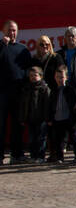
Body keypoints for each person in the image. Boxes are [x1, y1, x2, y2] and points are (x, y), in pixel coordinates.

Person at [0, 20, 32, 164]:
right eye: (9, 30)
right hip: (1, 93)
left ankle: (17, 154)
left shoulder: (23, 49)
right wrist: (2, 46)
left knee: (18, 125)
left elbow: (27, 70)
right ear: (3, 31)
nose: (12, 33)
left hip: (18, 93)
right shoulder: (0, 46)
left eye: (14, 30)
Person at [48, 61, 76, 164]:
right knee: (58, 140)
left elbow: (75, 104)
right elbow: (50, 105)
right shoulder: (53, 91)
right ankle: (59, 157)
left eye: (62, 77)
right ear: (54, 77)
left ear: (66, 77)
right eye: (58, 77)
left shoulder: (70, 90)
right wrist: (50, 118)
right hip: (58, 118)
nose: (59, 79)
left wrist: (75, 117)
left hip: (69, 118)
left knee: (74, 137)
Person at [18, 64, 52, 162]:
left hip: (41, 119)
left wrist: (48, 118)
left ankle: (41, 156)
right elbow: (23, 105)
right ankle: (33, 156)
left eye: (35, 75)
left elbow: (47, 105)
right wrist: (22, 118)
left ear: (41, 76)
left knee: (41, 139)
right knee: (32, 139)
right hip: (30, 118)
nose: (33, 77)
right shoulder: (26, 88)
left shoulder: (44, 88)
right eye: (31, 75)